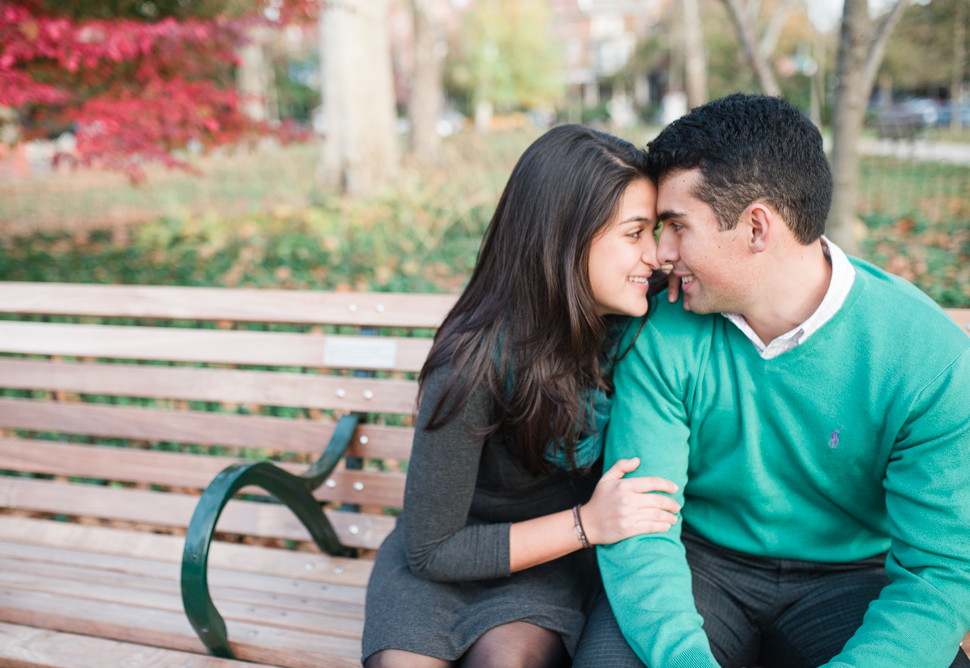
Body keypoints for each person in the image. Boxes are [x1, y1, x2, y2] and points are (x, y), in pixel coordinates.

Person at [574, 94, 970, 668]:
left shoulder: (925, 356)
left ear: (757, 226)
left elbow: (937, 575)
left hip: (849, 582)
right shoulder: (664, 333)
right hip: (696, 567)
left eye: (677, 226)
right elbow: (642, 528)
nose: (661, 253)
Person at [362, 124, 682, 668]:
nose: (656, 255)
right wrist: (588, 523)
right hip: (449, 559)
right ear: (566, 239)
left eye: (655, 231)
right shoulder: (474, 359)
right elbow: (431, 548)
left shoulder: (641, 320)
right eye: (635, 234)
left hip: (547, 564)